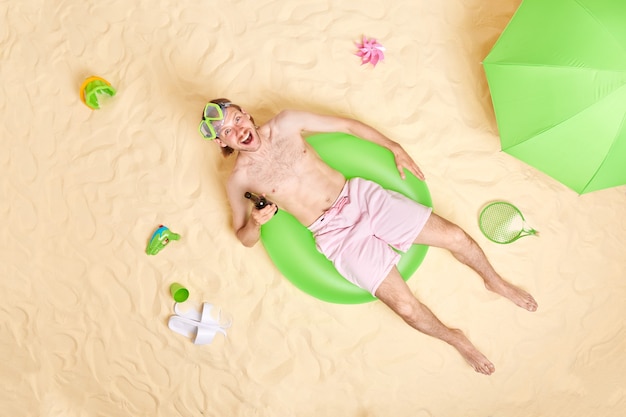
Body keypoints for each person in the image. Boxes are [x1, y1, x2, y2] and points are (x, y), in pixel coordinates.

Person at [199, 98, 538, 375]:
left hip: (360, 197)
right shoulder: (239, 180)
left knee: (456, 237)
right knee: (405, 307)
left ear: (245, 114)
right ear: (222, 142)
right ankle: (457, 339)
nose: (238, 129)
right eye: (227, 130)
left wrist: (394, 147)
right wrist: (256, 222)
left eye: (237, 119)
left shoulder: (286, 123)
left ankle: (495, 281)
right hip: (333, 235)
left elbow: (347, 125)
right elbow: (244, 237)